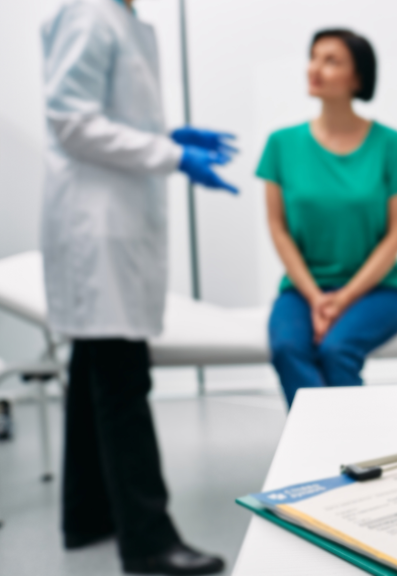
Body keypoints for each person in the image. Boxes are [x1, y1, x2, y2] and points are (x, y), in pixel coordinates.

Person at [41, 0, 236, 573]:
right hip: (97, 226)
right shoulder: (90, 13)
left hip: (110, 219)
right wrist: (171, 152)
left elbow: (104, 115)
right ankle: (149, 540)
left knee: (94, 371)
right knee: (122, 378)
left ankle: (87, 515)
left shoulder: (121, 17)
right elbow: (71, 122)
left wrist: (164, 135)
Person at [258, 29, 397, 409]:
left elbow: (396, 235)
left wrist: (344, 298)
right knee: (286, 347)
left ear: (358, 77)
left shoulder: (391, 145)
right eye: (313, 57)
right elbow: (278, 230)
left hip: (379, 289)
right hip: (303, 289)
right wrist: (316, 298)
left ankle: (352, 452)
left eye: (331, 61)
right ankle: (330, 449)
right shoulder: (281, 144)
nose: (315, 68)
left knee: (336, 349)